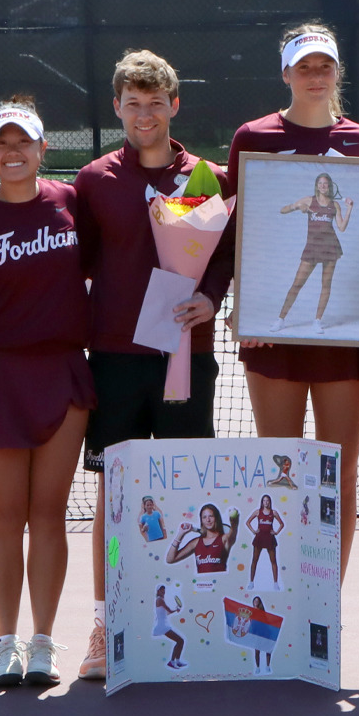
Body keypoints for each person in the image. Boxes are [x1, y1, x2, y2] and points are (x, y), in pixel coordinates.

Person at [75, 50, 233, 680]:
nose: (145, 114)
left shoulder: (207, 177)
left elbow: (223, 255)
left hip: (185, 360)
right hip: (113, 358)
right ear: (117, 107)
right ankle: (104, 621)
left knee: (188, 494)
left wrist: (209, 297)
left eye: (156, 102)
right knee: (116, 495)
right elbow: (78, 261)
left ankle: (189, 621)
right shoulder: (92, 180)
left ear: (175, 104)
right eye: (132, 103)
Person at [229, 25, 359, 575]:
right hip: (271, 339)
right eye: (303, 67)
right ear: (286, 74)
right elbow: (237, 229)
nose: (315, 76)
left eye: (324, 66)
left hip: (344, 337)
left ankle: (328, 597)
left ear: (337, 73)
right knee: (279, 471)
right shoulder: (252, 137)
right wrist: (245, 304)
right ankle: (280, 593)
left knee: (339, 472)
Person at [0, 98, 95, 691]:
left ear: (44, 149)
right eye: (1, 143)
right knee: (4, 515)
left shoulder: (69, 204)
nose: (12, 152)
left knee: (49, 513)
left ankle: (43, 642)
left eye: (24, 142)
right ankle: (5, 641)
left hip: (62, 373)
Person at [274, 172, 354, 332]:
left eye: (326, 184)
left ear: (329, 186)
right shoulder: (308, 200)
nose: (323, 186)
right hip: (312, 248)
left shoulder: (335, 205)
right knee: (297, 284)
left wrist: (349, 209)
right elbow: (282, 210)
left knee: (326, 285)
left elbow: (342, 228)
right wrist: (296, 207)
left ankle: (317, 321)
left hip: (330, 247)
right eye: (320, 183)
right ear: (317, 185)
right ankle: (280, 319)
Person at [166, 503, 241, 574]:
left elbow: (233, 532)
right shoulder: (196, 542)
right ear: (201, 520)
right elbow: (170, 559)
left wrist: (234, 522)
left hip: (220, 584)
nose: (208, 520)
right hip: (202, 585)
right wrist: (181, 534)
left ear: (216, 518)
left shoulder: (224, 539)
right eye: (204, 517)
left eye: (211, 516)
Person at [248, 494, 285, 588]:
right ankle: (251, 582)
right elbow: (248, 522)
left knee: (273, 561)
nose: (266, 502)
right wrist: (254, 531)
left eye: (267, 500)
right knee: (254, 560)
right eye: (264, 500)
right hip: (259, 538)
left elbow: (282, 524)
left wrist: (276, 532)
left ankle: (276, 583)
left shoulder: (274, 512)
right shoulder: (257, 512)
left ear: (270, 502)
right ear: (262, 502)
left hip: (269, 538)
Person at [153, 585, 187, 669]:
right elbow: (169, 610)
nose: (163, 592)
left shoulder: (160, 600)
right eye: (161, 590)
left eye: (164, 590)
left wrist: (175, 610)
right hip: (163, 627)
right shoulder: (160, 600)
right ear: (158, 591)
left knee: (180, 641)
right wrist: (176, 609)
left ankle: (177, 661)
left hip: (164, 625)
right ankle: (172, 662)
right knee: (180, 641)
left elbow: (167, 613)